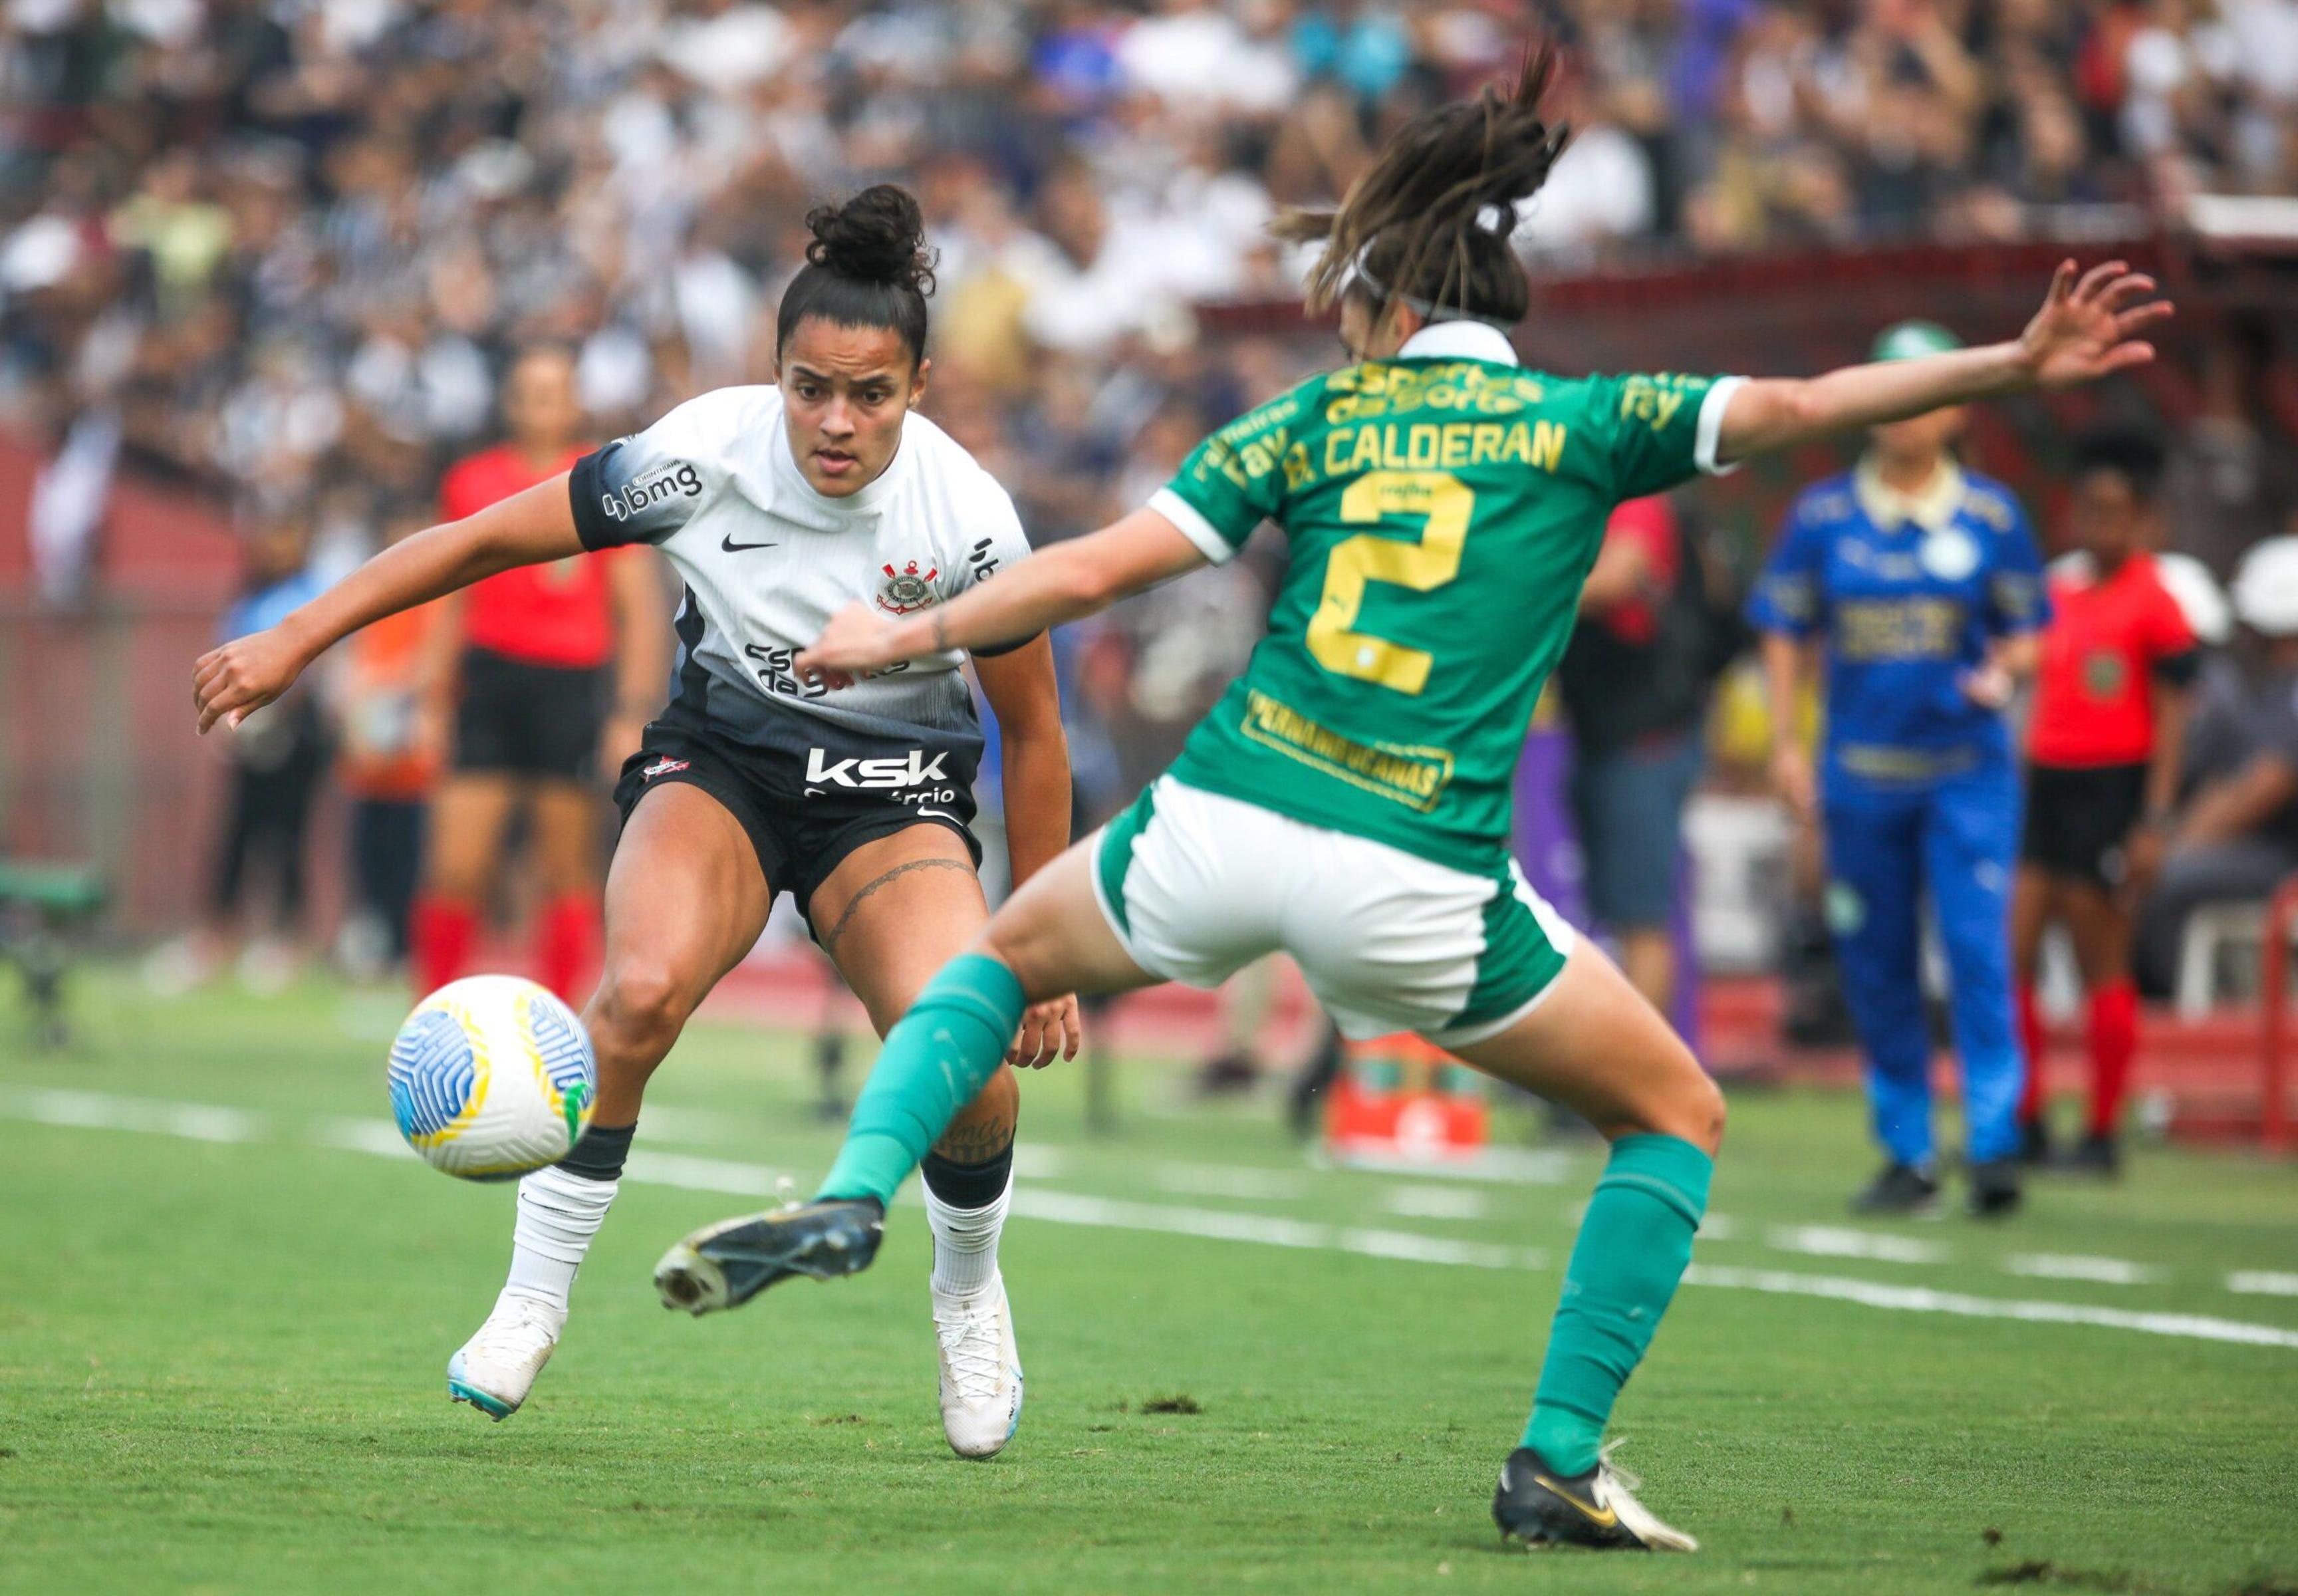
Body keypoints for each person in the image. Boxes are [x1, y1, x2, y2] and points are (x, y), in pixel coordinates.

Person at [648, 51, 2168, 1552]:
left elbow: (1098, 564)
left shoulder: (1316, 420)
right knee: (1670, 1114)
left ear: (1381, 312)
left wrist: (903, 631)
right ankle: (1556, 1457)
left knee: (984, 969)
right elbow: (1803, 400)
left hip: (1219, 824)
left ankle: (854, 1193)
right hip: (1417, 878)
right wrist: (2008, 363)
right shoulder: (1582, 423)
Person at [193, 186, 1079, 1460]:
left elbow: (1037, 735)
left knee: (973, 1074)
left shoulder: (970, 519)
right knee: (639, 996)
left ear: (920, 384)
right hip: (723, 766)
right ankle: (530, 1299)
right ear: (774, 374)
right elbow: (478, 542)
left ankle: (968, 1287)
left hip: (889, 801)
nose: (835, 421)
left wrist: (1040, 950)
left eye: (870, 393)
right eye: (809, 386)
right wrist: (294, 635)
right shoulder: (700, 452)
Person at [1751, 321, 2049, 1221]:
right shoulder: (1824, 519)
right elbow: (1783, 629)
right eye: (1887, 384)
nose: (1904, 407)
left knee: (1974, 952)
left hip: (1967, 774)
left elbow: (2030, 631)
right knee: (1875, 966)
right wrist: (1785, 743)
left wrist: (2008, 670)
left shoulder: (1993, 518)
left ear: (1956, 408)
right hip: (1859, 778)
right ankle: (1907, 1151)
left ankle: (1995, 1142)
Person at [407, 346, 668, 1009]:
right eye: (529, 392)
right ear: (511, 402)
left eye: (554, 392)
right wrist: (432, 699)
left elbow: (638, 608)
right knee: (456, 867)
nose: (540, 406)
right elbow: (448, 596)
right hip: (488, 684)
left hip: (570, 687)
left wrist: (628, 712)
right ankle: (434, 1019)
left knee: (565, 870)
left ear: (574, 401)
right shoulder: (471, 480)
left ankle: (555, 1027)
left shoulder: (608, 482)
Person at [2011, 430, 2200, 1175]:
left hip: (2112, 788)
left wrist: (2153, 819)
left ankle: (2100, 1131)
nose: (2100, 526)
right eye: (2090, 511)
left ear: (2144, 520)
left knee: (2099, 961)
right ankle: (2023, 1117)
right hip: (2048, 785)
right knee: (2015, 950)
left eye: (2116, 513)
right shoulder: (2058, 593)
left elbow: (2175, 719)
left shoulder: (2156, 602)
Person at [154, 512, 336, 995]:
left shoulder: (314, 593)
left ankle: (288, 941)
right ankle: (218, 936)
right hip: (250, 732)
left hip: (297, 734)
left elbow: (316, 663)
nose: (276, 547)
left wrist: (279, 715)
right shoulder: (248, 597)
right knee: (236, 834)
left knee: (289, 835)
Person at [1556, 494, 1720, 1016]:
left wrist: (1522, 592)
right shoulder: (1601, 500)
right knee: (1619, 915)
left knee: (1642, 918)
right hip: (1607, 738)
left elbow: (1618, 578)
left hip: (1645, 742)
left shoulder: (1636, 500)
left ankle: (1642, 1078)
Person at [2136, 535, 2298, 994]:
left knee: (2171, 881)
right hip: (2267, 846)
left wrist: (2174, 850)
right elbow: (2231, 785)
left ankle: (2172, 1013)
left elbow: (2260, 792)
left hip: (2286, 856)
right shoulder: (2275, 689)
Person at [334, 494, 449, 981]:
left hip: (416, 754)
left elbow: (435, 664)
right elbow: (352, 662)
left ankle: (407, 952)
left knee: (413, 861)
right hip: (370, 757)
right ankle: (375, 947)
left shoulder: (442, 595)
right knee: (368, 859)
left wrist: (386, 682)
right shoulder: (372, 591)